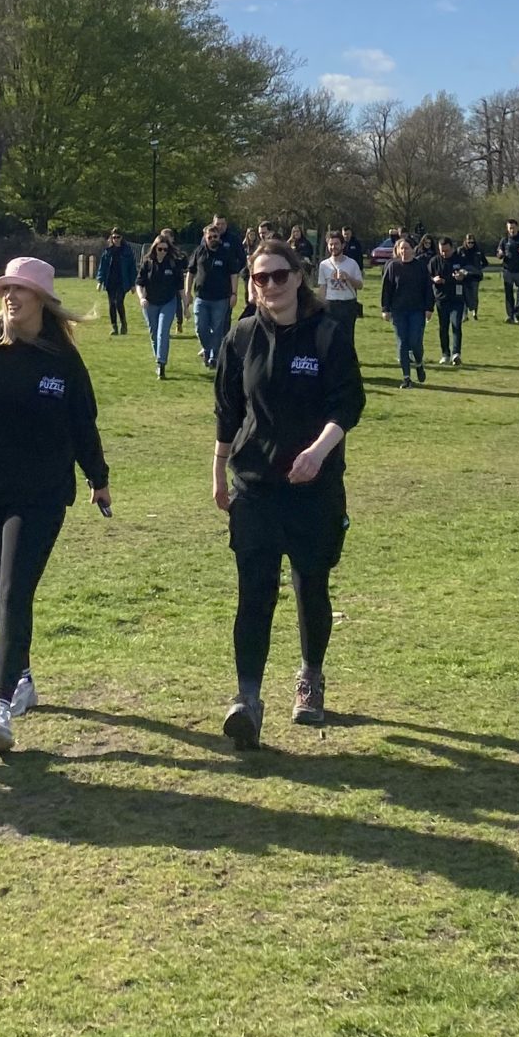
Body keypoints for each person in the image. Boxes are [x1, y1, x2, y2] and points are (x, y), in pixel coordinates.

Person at [0, 257, 111, 754]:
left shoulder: (62, 359)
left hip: (42, 493)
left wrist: (98, 479)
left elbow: (82, 424)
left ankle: (0, 703)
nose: (10, 296)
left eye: (20, 290)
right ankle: (22, 677)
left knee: (13, 592)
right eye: (5, 289)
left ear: (42, 300)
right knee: (2, 591)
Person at [211, 237, 366, 745]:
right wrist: (218, 471)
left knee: (310, 585)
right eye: (262, 277)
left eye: (281, 275)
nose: (272, 285)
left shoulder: (327, 334)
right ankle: (247, 700)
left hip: (313, 488)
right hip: (254, 485)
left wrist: (318, 453)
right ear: (252, 284)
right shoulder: (241, 337)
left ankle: (310, 677)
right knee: (254, 592)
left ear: (299, 277)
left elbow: (348, 404)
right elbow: (228, 411)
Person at [379, 233, 433, 388]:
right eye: (401, 248)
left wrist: (429, 308)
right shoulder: (392, 267)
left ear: (413, 250)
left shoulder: (420, 267)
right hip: (398, 311)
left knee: (415, 342)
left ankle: (419, 363)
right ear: (397, 250)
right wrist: (385, 309)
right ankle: (407, 377)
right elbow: (386, 289)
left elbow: (428, 288)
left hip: (417, 310)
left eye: (407, 248)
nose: (404, 251)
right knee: (402, 342)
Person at [188, 214, 242, 367]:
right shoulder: (199, 252)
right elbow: (190, 272)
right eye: (209, 237)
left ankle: (214, 357)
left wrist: (234, 293)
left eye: (215, 236)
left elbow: (234, 274)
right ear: (205, 238)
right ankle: (207, 349)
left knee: (218, 329)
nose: (213, 239)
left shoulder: (226, 253)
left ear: (219, 237)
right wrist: (187, 292)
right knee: (200, 328)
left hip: (221, 298)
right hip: (201, 297)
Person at [136, 229, 188, 379]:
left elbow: (180, 287)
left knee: (163, 332)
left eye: (165, 249)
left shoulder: (173, 263)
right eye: (160, 249)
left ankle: (161, 363)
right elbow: (139, 283)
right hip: (150, 303)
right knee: (154, 333)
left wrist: (186, 307)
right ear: (155, 248)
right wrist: (141, 298)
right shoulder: (147, 263)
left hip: (168, 302)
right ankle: (159, 357)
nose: (162, 252)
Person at [315, 228, 364, 343]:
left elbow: (360, 285)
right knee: (331, 337)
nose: (333, 247)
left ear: (343, 245)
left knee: (347, 338)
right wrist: (319, 306)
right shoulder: (324, 265)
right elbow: (323, 287)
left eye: (336, 244)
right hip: (331, 305)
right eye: (331, 244)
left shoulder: (352, 263)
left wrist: (348, 278)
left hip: (347, 304)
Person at [430, 235, 468, 368]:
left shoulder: (459, 259)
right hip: (441, 299)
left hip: (457, 298)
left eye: (446, 250)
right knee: (443, 327)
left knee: (456, 324)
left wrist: (462, 275)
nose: (444, 253)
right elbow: (427, 276)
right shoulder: (434, 261)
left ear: (452, 248)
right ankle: (445, 354)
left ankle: (456, 354)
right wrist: (434, 280)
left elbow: (468, 272)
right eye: (442, 251)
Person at [94, 227, 139, 336]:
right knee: (111, 304)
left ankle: (124, 324)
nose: (116, 239)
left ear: (121, 237)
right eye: (114, 237)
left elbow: (132, 268)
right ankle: (114, 327)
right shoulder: (108, 251)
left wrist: (133, 284)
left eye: (118, 237)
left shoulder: (127, 251)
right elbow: (102, 267)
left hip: (122, 281)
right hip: (110, 281)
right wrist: (100, 281)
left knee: (118, 302)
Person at [498, 219, 519, 323]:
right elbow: (499, 254)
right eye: (510, 228)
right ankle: (510, 315)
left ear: (517, 227)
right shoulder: (504, 240)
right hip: (507, 271)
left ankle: (517, 315)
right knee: (508, 294)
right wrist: (500, 254)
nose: (512, 230)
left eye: (513, 228)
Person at [454, 230, 488, 322]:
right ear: (465, 241)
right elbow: (455, 262)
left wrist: (478, 269)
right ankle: (464, 315)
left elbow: (485, 263)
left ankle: (474, 313)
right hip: (463, 276)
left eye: (472, 242)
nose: (470, 244)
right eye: (469, 242)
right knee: (463, 295)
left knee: (474, 295)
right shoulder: (460, 250)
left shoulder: (478, 251)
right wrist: (459, 271)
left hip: (474, 277)